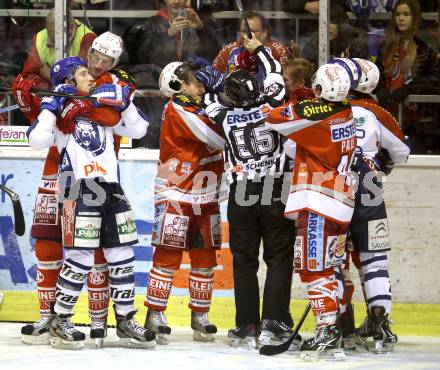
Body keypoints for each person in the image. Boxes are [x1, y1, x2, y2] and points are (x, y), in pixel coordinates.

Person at [13, 31, 137, 348]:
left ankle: (109, 321)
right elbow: (38, 137)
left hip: (105, 181)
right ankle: (52, 317)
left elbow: (135, 127)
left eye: (105, 60)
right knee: (55, 247)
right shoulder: (61, 101)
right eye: (91, 60)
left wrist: (125, 100)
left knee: (111, 251)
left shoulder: (109, 86)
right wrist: (45, 105)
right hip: (64, 177)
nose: (96, 66)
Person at [200, 35, 297, 348]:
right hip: (274, 186)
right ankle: (276, 322)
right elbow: (273, 71)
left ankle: (246, 326)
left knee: (244, 261)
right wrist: (259, 50)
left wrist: (211, 79)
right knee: (279, 257)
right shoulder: (273, 105)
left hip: (241, 191)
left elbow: (204, 99)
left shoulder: (224, 117)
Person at [265, 63, 354, 360]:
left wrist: (300, 103)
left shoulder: (318, 118)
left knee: (312, 269)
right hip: (340, 202)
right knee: (329, 269)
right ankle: (331, 329)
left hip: (318, 200)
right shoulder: (346, 113)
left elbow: (273, 117)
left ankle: (327, 331)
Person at [143, 61, 225, 344]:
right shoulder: (180, 108)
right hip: (177, 192)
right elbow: (219, 137)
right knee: (167, 257)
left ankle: (200, 316)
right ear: (179, 86)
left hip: (206, 194)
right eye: (195, 83)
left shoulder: (195, 107)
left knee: (204, 259)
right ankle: (154, 314)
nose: (201, 87)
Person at [338, 58, 410, 352]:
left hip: (336, 190)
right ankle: (380, 326)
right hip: (370, 189)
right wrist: (380, 159)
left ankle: (340, 325)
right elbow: (402, 151)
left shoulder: (329, 109)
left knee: (335, 263)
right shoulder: (376, 112)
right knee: (374, 260)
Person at [122, 0, 221, 148]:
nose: (176, 1)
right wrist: (168, 34)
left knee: (187, 140)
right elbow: (141, 57)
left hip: (189, 91)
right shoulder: (152, 24)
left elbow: (214, 56)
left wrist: (202, 29)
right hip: (158, 93)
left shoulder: (197, 22)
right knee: (158, 136)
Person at [374, 0, 440, 154]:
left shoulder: (425, 47)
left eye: (406, 14)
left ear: (415, 17)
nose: (401, 18)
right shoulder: (385, 47)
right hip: (387, 112)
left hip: (419, 118)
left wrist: (409, 89)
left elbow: (436, 77)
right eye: (397, 14)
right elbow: (375, 72)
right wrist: (381, 88)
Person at [21, 8, 95, 90]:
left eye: (56, 38)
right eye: (50, 33)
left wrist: (48, 74)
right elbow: (27, 76)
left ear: (70, 31)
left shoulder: (86, 38)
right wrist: (45, 85)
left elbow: (85, 78)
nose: (50, 42)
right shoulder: (40, 38)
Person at [212, 11, 290, 82]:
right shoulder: (229, 50)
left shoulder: (277, 50)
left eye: (252, 31)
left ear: (264, 33)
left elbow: (286, 80)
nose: (247, 36)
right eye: (243, 31)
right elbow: (213, 75)